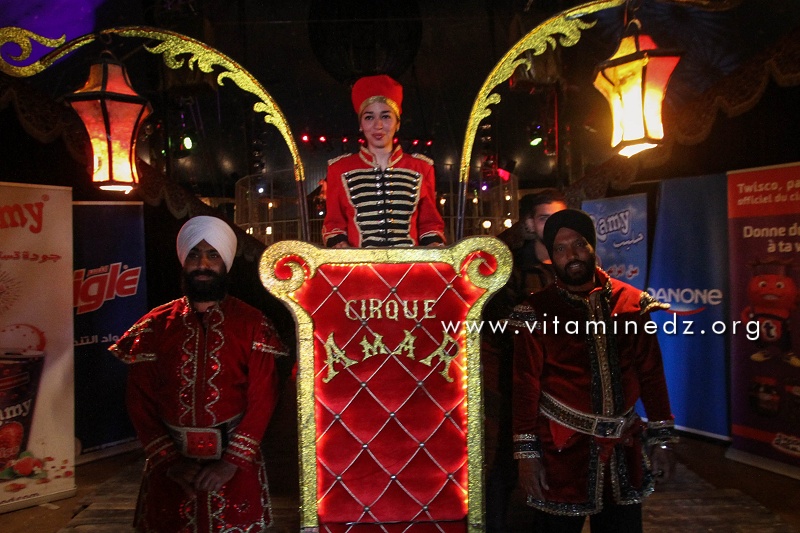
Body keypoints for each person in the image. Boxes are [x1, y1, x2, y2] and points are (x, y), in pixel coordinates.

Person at [109, 215, 288, 533]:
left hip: (235, 467)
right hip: (172, 467)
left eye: (212, 255)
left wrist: (231, 463)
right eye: (194, 254)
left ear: (225, 263)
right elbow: (139, 400)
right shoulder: (154, 326)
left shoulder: (253, 324)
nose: (203, 264)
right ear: (183, 260)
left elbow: (264, 398)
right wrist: (170, 462)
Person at [510, 209, 677, 533]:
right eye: (560, 248)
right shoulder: (536, 311)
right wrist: (526, 454)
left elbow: (651, 374)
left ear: (592, 247)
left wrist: (663, 440)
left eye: (578, 244)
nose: (571, 255)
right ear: (552, 256)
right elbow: (525, 385)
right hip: (560, 454)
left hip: (623, 452)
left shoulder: (631, 303)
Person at [481, 189, 567, 532]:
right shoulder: (509, 270)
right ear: (530, 224)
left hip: (565, 387)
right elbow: (496, 328)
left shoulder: (577, 265)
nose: (553, 226)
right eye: (545, 218)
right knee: (505, 463)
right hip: (516, 384)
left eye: (559, 218)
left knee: (560, 466)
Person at [322, 74, 446, 248]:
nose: (378, 125)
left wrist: (433, 244)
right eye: (369, 117)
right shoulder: (339, 169)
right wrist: (339, 243)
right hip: (359, 264)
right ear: (360, 124)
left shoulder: (422, 168)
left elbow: (430, 224)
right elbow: (334, 224)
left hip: (411, 263)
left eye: (386, 116)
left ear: (398, 123)